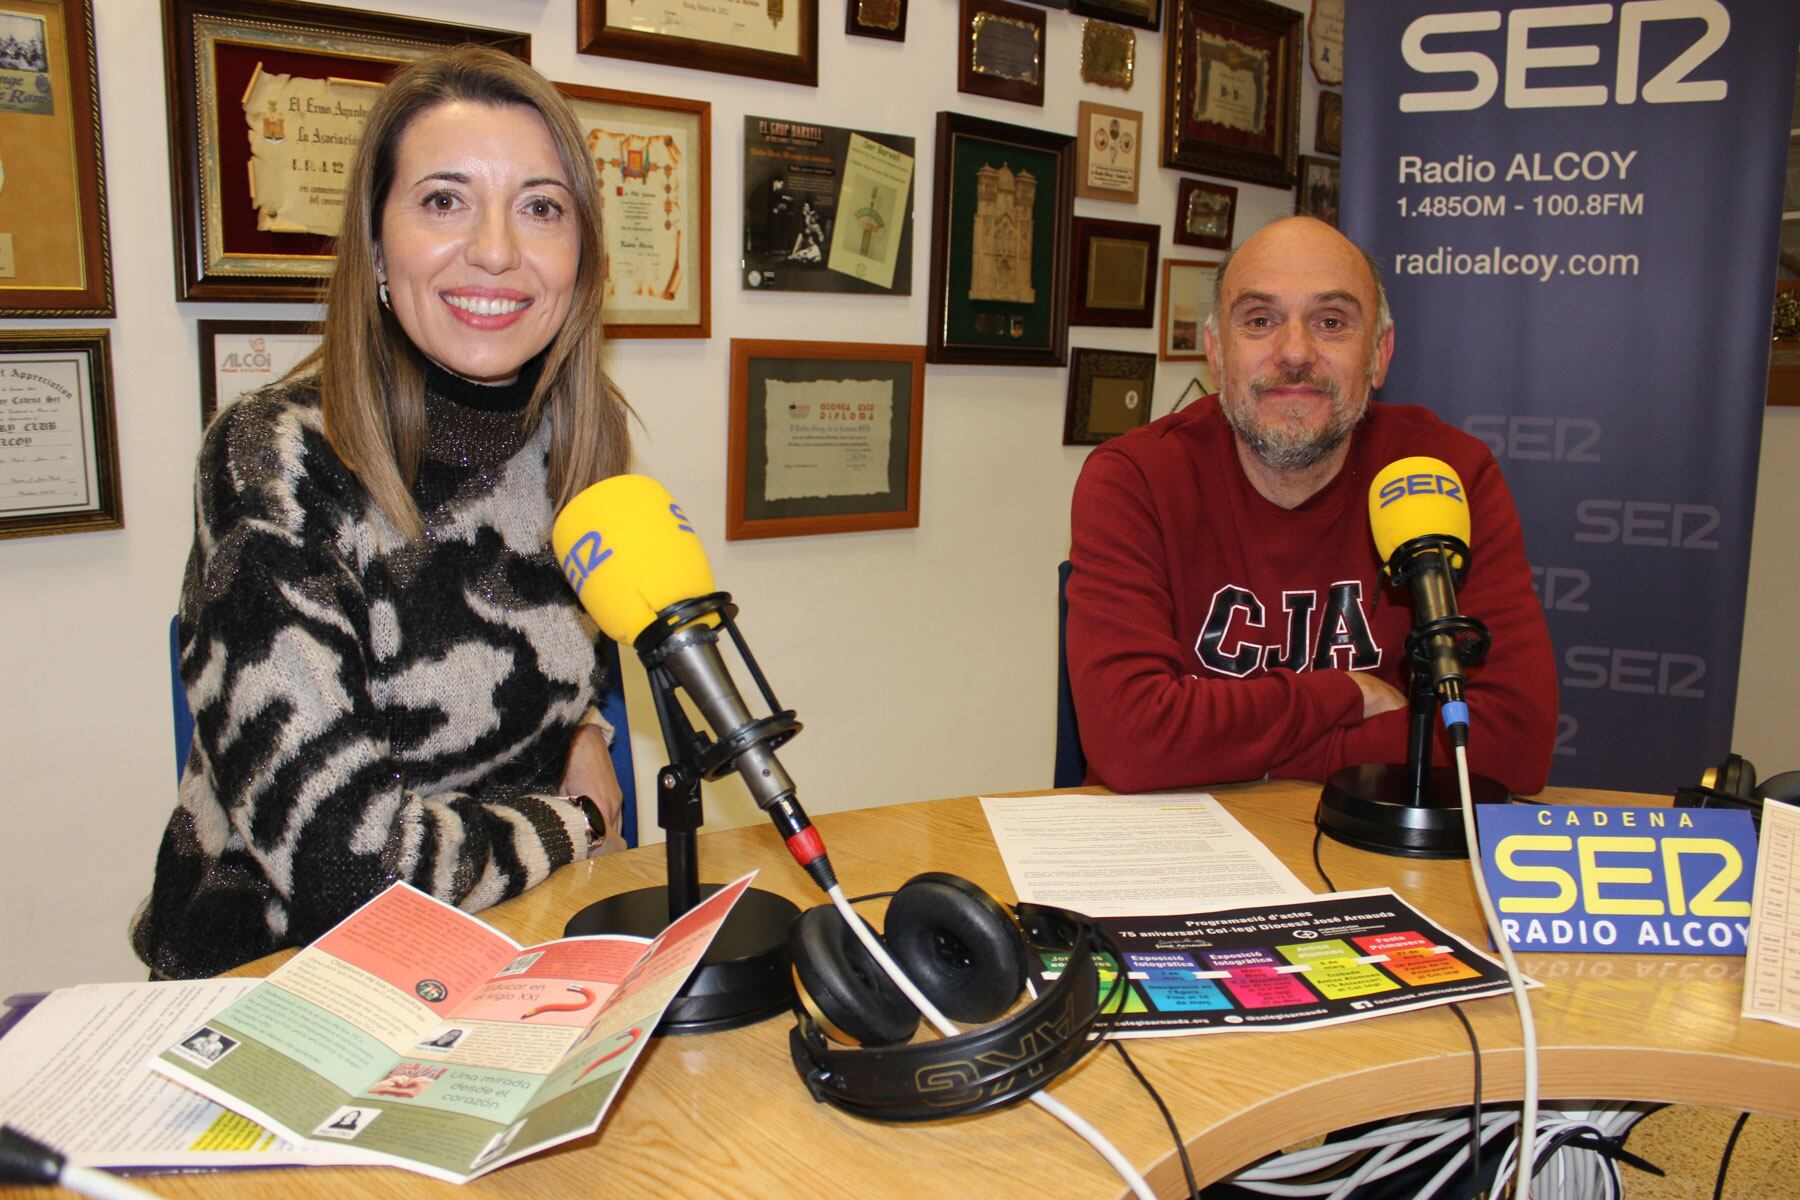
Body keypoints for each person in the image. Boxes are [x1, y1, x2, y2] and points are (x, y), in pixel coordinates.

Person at [130, 47, 632, 980]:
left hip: (514, 946)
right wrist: (577, 822)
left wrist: (590, 727)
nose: (496, 250)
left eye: (541, 206)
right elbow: (344, 871)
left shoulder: (571, 444)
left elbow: (561, 657)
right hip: (288, 977)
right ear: (374, 244)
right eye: (444, 200)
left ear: (582, 256)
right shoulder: (274, 455)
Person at [1066, 216, 1556, 795]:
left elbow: (1511, 744)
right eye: (1259, 320)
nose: (1294, 352)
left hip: (1380, 851)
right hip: (1178, 856)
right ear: (1217, 355)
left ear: (1378, 355)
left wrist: (1237, 751)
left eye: (1330, 322)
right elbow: (1131, 742)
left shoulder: (1447, 474)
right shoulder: (1136, 479)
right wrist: (1344, 694)